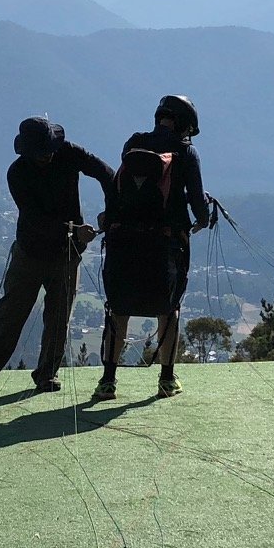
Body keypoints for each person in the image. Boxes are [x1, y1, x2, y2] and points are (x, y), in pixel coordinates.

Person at [0, 116, 115, 396]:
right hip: (31, 252)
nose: (48, 155)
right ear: (27, 152)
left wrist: (112, 210)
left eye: (50, 149)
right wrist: (75, 230)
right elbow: (35, 219)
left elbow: (106, 173)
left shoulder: (68, 152)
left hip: (67, 252)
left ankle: (47, 374)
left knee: (59, 318)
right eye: (42, 152)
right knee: (10, 316)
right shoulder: (17, 174)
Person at [93, 94, 212, 401]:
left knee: (118, 309)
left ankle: (108, 380)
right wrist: (202, 218)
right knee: (168, 309)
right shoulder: (187, 153)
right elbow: (197, 201)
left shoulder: (133, 143)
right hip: (165, 244)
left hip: (123, 242)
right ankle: (167, 379)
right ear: (185, 124)